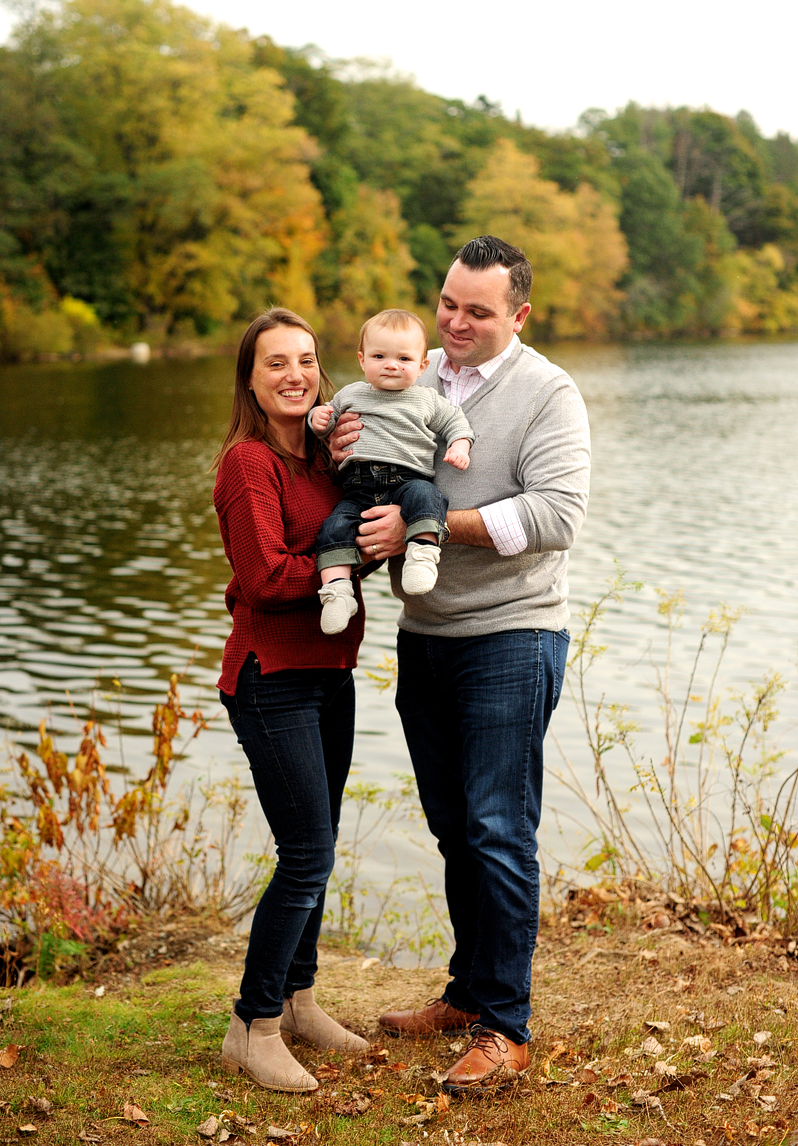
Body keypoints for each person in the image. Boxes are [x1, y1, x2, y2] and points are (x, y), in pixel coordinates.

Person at [330, 236, 590, 1092]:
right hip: (427, 633)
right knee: (452, 825)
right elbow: (365, 468)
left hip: (515, 632)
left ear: (518, 313)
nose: (455, 322)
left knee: (496, 826)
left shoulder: (549, 392)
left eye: (477, 310)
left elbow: (555, 515)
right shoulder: (410, 371)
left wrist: (430, 525)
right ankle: (465, 990)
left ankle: (504, 1026)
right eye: (448, 303)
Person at [212, 307, 370, 1093]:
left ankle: (300, 999)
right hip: (270, 676)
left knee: (322, 843)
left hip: (329, 671)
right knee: (304, 852)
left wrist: (368, 546)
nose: (295, 374)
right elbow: (270, 578)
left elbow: (360, 542)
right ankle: (254, 1024)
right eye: (276, 362)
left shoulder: (324, 461)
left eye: (306, 360)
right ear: (251, 376)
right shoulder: (248, 464)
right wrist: (340, 564)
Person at [308, 309, 475, 634]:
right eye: (379, 355)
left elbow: (457, 422)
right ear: (362, 359)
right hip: (358, 488)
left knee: (428, 498)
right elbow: (326, 419)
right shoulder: (351, 394)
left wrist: (459, 445)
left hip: (407, 481)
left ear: (421, 366)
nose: (391, 364)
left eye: (404, 358)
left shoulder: (426, 399)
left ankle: (422, 555)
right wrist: (317, 420)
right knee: (334, 527)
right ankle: (338, 593)